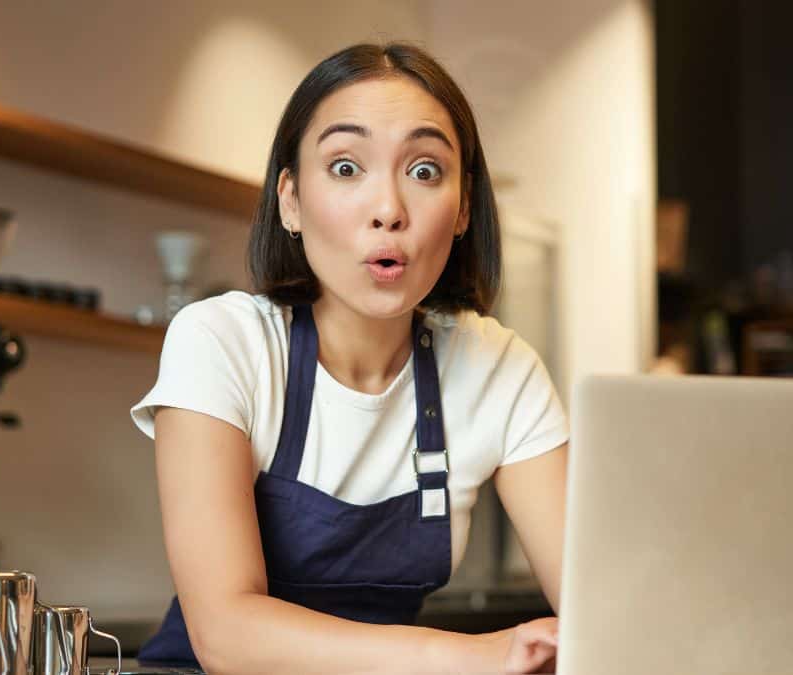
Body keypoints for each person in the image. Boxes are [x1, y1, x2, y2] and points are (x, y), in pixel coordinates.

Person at [130, 42, 568, 674]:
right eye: (344, 167)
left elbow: (600, 602)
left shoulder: (499, 368)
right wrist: (476, 655)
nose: (388, 210)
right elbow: (226, 632)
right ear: (290, 200)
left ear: (465, 206)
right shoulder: (221, 341)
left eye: (424, 171)